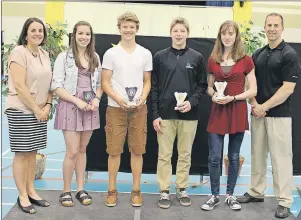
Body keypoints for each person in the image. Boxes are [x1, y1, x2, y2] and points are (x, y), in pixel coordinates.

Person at [237, 13, 301, 219]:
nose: (272, 28)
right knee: (257, 154)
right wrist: (255, 105)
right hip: (257, 114)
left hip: (278, 116)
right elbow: (250, 84)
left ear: (282, 28)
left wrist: (264, 106)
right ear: (264, 28)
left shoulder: (289, 54)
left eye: (276, 25)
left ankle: (284, 200)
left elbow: (288, 89)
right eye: (269, 25)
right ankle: (256, 191)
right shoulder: (258, 54)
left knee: (281, 159)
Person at [200, 20, 257, 211]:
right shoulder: (212, 59)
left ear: (236, 36)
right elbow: (208, 87)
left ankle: (230, 195)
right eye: (224, 33)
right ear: (220, 36)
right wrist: (214, 94)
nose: (227, 36)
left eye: (231, 33)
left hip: (237, 111)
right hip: (218, 111)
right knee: (214, 157)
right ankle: (214, 195)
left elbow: (253, 90)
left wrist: (233, 97)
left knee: (233, 157)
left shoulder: (246, 59)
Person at [151, 17, 207, 209]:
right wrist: (155, 114)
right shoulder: (159, 56)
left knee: (185, 154)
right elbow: (155, 87)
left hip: (189, 116)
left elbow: (202, 86)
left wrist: (191, 103)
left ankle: (182, 188)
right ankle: (164, 191)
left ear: (187, 34)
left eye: (182, 31)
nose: (179, 34)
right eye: (176, 30)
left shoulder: (197, 57)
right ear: (171, 33)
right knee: (164, 156)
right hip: (165, 115)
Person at [101, 12, 152, 207]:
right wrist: (119, 99)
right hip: (115, 108)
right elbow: (105, 83)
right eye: (125, 26)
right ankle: (112, 190)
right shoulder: (111, 54)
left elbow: (147, 82)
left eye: (131, 26)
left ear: (136, 28)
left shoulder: (145, 53)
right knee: (114, 151)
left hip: (139, 109)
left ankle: (136, 190)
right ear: (119, 28)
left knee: (137, 150)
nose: (128, 30)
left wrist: (142, 97)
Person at [51, 21, 102, 207]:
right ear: (74, 35)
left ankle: (81, 189)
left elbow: (98, 85)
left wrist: (96, 99)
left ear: (91, 36)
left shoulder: (95, 57)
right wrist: (77, 101)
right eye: (80, 33)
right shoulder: (63, 58)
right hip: (70, 107)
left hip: (89, 110)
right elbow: (56, 85)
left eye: (87, 34)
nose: (84, 37)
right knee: (72, 151)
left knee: (82, 150)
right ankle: (66, 190)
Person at [5, 17, 52, 214]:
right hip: (22, 110)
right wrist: (36, 109)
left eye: (40, 31)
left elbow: (50, 83)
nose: (37, 34)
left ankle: (32, 190)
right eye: (33, 30)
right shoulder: (19, 52)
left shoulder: (44, 54)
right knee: (22, 153)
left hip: (40, 110)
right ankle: (22, 195)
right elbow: (21, 86)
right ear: (26, 33)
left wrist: (48, 105)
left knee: (33, 151)